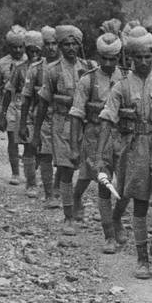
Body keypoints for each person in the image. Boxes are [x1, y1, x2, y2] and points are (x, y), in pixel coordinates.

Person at [96, 26, 152, 279]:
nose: (144, 61)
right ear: (131, 58)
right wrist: (100, 155)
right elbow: (107, 119)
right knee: (138, 203)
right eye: (139, 57)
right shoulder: (121, 87)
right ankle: (142, 258)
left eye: (148, 56)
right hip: (134, 148)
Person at [33, 25, 95, 235]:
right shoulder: (52, 70)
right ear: (59, 46)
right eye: (66, 44)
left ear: (79, 45)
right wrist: (36, 135)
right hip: (61, 124)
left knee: (88, 170)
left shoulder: (88, 68)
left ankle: (77, 198)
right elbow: (43, 102)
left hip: (85, 125)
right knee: (66, 170)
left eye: (74, 44)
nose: (70, 48)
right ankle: (68, 216)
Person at [69, 32, 127, 253]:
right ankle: (109, 234)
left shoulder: (127, 79)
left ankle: (117, 217)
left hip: (121, 136)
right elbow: (76, 113)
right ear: (99, 57)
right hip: (94, 135)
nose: (109, 63)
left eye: (113, 59)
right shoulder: (88, 80)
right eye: (105, 58)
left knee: (123, 185)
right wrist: (74, 146)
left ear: (119, 57)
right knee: (98, 180)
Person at [0, 26, 27, 184]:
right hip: (9, 105)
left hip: (28, 105)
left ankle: (31, 173)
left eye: (21, 46)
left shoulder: (31, 61)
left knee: (29, 141)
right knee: (12, 139)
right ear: (9, 47)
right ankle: (15, 173)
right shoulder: (3, 63)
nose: (18, 50)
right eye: (14, 47)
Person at [20, 27, 60, 207]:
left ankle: (57, 188)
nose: (51, 48)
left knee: (61, 157)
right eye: (48, 44)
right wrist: (22, 124)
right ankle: (41, 189)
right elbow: (26, 98)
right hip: (39, 117)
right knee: (41, 154)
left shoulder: (65, 67)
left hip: (61, 118)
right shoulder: (36, 69)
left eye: (54, 44)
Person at [8, 30, 44, 197]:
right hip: (24, 110)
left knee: (40, 149)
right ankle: (31, 183)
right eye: (31, 51)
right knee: (29, 146)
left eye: (38, 51)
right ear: (26, 51)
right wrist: (3, 113)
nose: (34, 54)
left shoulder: (46, 69)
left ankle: (33, 174)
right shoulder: (20, 69)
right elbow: (10, 91)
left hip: (43, 112)